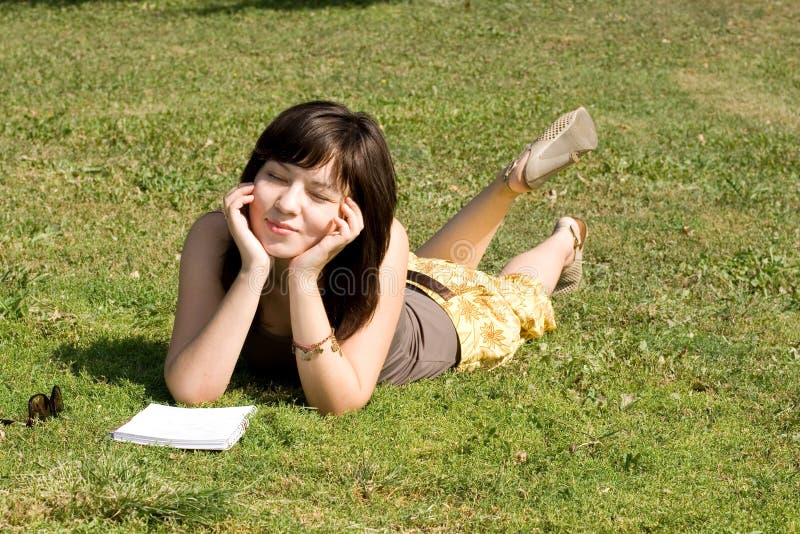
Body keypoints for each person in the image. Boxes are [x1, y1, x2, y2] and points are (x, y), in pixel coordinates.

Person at [164, 101, 598, 415]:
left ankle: (565, 240)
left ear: (351, 213)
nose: (288, 204)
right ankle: (513, 181)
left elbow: (339, 401)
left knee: (509, 295)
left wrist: (302, 280)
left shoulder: (383, 240)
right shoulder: (215, 236)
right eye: (276, 177)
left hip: (443, 318)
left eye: (318, 193)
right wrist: (254, 269)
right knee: (425, 267)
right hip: (391, 285)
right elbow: (192, 388)